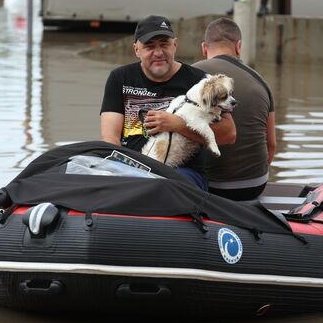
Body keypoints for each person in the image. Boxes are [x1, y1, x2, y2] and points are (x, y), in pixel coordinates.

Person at [100, 15, 236, 190]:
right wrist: (119, 171)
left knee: (165, 186)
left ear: (175, 45)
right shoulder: (119, 78)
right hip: (132, 169)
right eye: (149, 46)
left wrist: (178, 125)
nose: (158, 53)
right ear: (136, 50)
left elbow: (229, 134)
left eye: (164, 44)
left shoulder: (198, 81)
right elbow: (110, 138)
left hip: (183, 172)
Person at [192, 18, 276, 201]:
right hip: (255, 185)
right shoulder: (261, 81)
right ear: (238, 46)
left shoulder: (191, 74)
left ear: (204, 48)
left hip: (210, 187)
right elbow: (271, 144)